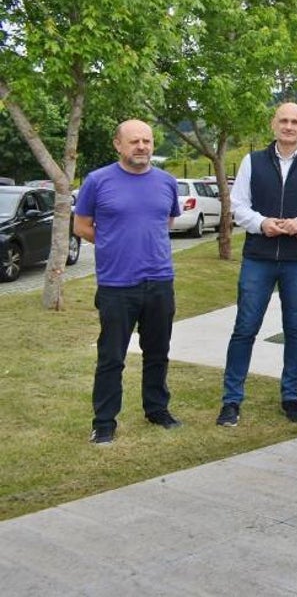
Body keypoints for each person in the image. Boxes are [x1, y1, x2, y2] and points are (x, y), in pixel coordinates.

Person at [217, 102, 297, 427]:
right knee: (244, 328)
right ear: (273, 124)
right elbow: (238, 205)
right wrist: (261, 223)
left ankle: (291, 396)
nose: (288, 126)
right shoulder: (252, 161)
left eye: (294, 121)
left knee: (296, 328)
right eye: (283, 120)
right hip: (258, 257)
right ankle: (231, 401)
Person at [73, 120, 182, 445]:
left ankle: (157, 409)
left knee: (158, 352)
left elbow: (167, 220)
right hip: (117, 284)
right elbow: (81, 226)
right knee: (111, 356)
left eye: (147, 141)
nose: (142, 147)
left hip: (160, 280)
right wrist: (113, 243)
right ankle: (104, 421)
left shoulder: (166, 182)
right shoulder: (98, 181)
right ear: (118, 145)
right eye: (134, 141)